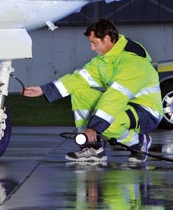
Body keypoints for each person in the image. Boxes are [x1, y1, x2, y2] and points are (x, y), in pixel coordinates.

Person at [22, 18, 161, 165]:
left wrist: (94, 127)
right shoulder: (105, 60)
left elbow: (115, 98)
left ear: (107, 39)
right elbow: (78, 79)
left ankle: (138, 141)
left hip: (146, 111)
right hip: (122, 105)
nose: (92, 48)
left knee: (106, 122)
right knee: (79, 92)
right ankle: (92, 147)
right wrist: (44, 90)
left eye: (94, 43)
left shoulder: (134, 62)